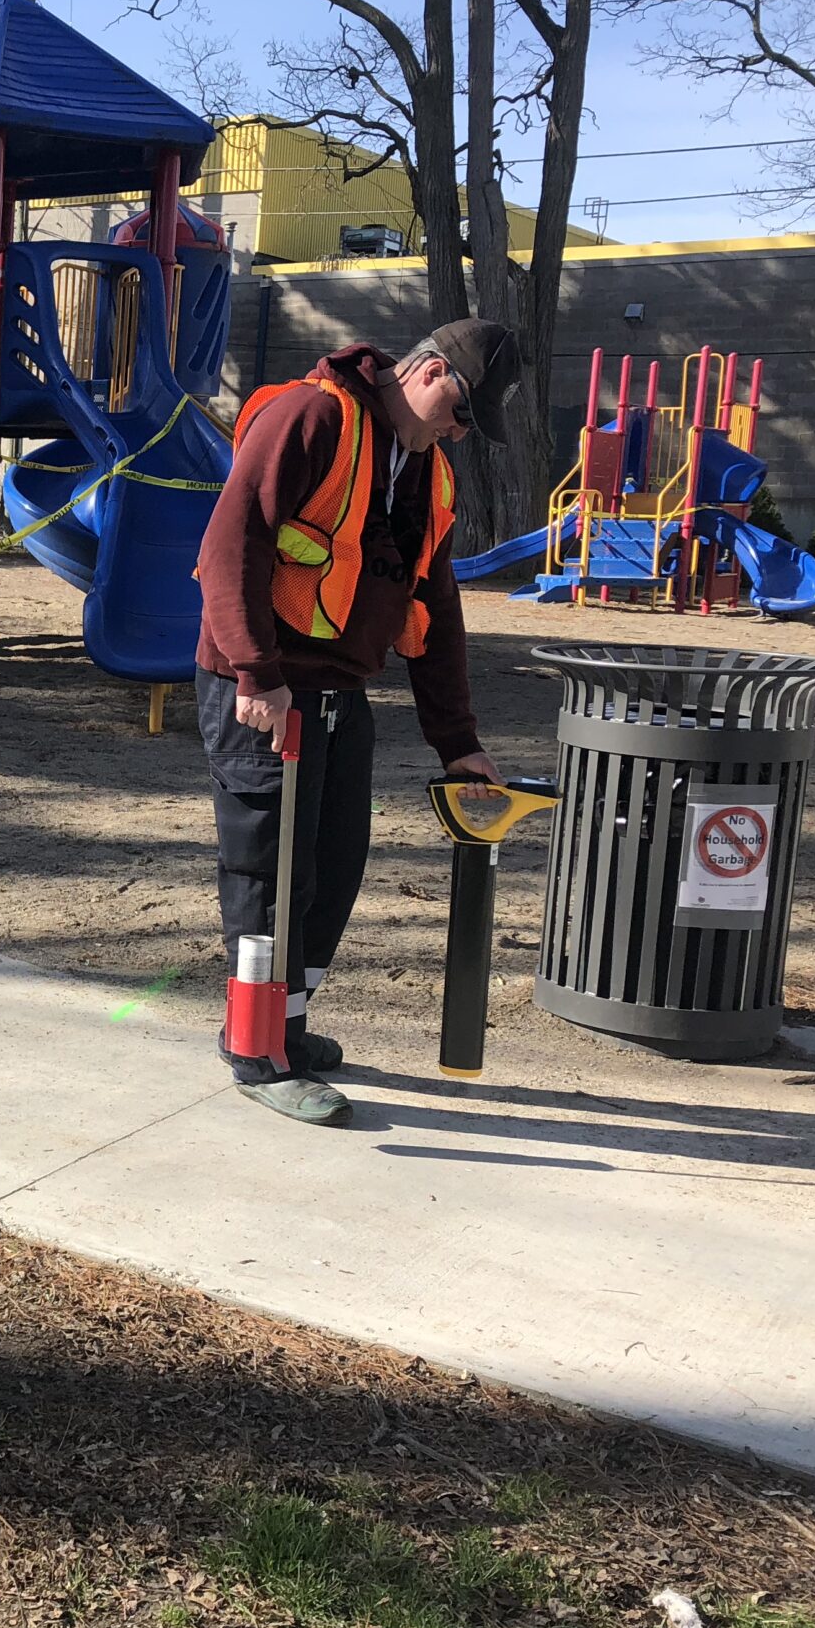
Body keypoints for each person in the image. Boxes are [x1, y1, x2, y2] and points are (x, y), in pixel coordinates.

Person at [194, 319, 519, 1125]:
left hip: (340, 693)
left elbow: (435, 609)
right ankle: (254, 1049)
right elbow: (233, 540)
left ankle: (287, 1029)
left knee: (333, 867)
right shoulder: (312, 417)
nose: (460, 431)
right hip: (265, 690)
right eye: (463, 411)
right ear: (429, 372)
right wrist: (257, 671)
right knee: (270, 871)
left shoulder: (427, 475)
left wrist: (458, 741)